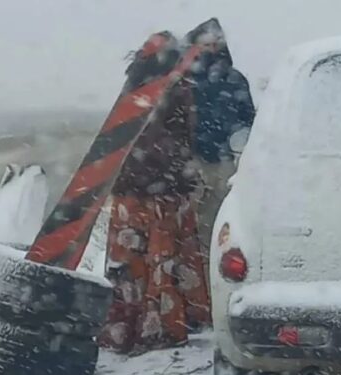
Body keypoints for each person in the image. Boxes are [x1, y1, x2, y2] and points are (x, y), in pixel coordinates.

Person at [98, 79, 211, 354]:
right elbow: (184, 136)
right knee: (164, 261)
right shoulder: (179, 89)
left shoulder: (134, 90)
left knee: (128, 262)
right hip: (164, 190)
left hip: (133, 188)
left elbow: (120, 138)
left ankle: (125, 325)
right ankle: (162, 324)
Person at [190, 34, 256, 255]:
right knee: (196, 216)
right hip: (195, 159)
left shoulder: (235, 80)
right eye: (205, 44)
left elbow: (248, 119)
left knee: (223, 212)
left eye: (214, 43)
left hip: (226, 158)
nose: (211, 48)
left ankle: (215, 257)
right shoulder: (188, 81)